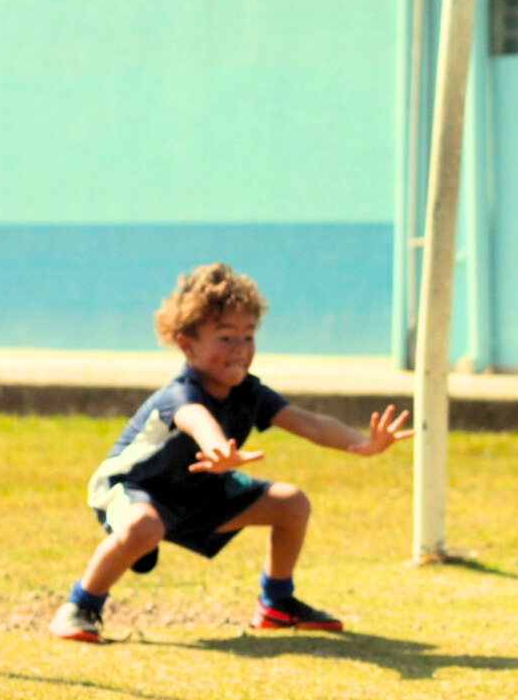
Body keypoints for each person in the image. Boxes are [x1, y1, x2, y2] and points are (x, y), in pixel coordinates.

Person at [48, 262, 412, 642]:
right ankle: (79, 607)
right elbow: (197, 420)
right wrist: (219, 450)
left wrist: (363, 443)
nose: (240, 348)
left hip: (201, 492)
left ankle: (276, 604)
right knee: (144, 528)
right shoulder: (181, 394)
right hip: (135, 489)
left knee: (292, 504)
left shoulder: (250, 392)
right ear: (187, 344)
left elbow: (311, 423)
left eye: (248, 336)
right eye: (225, 337)